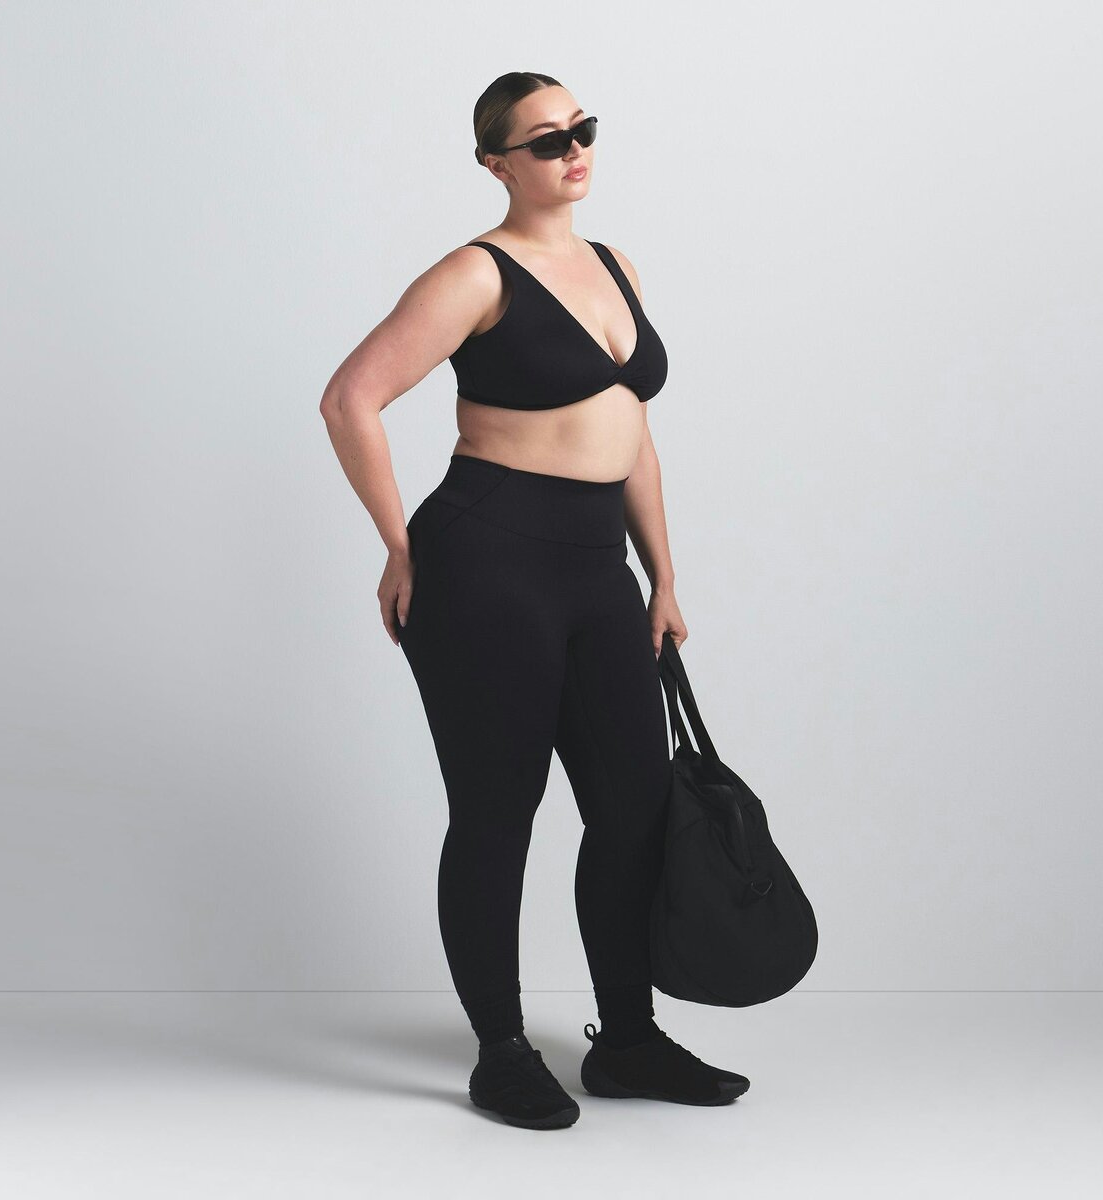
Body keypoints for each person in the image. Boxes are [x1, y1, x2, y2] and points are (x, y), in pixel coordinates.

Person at [320, 72, 749, 1129]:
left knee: (635, 810)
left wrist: (663, 574)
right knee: (497, 814)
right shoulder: (475, 274)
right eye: (549, 139)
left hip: (598, 567)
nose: (574, 150)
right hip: (486, 562)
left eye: (582, 129)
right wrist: (397, 544)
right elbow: (351, 397)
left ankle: (629, 1040)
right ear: (497, 163)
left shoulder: (615, 266)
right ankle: (501, 1052)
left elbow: (633, 433)